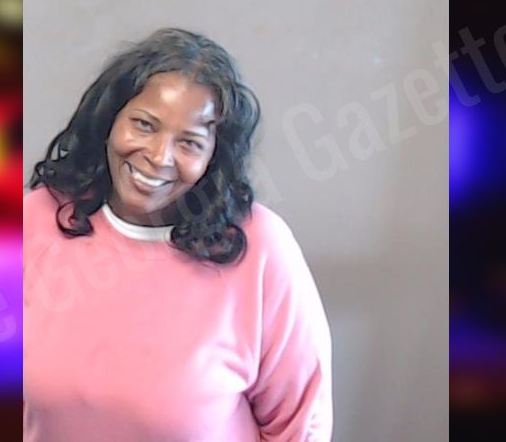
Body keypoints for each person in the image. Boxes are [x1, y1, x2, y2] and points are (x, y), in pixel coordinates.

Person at [23, 28, 332, 441]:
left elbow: (301, 426)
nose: (158, 157)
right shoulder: (37, 218)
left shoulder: (262, 249)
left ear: (215, 155)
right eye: (144, 125)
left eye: (189, 142)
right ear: (109, 120)